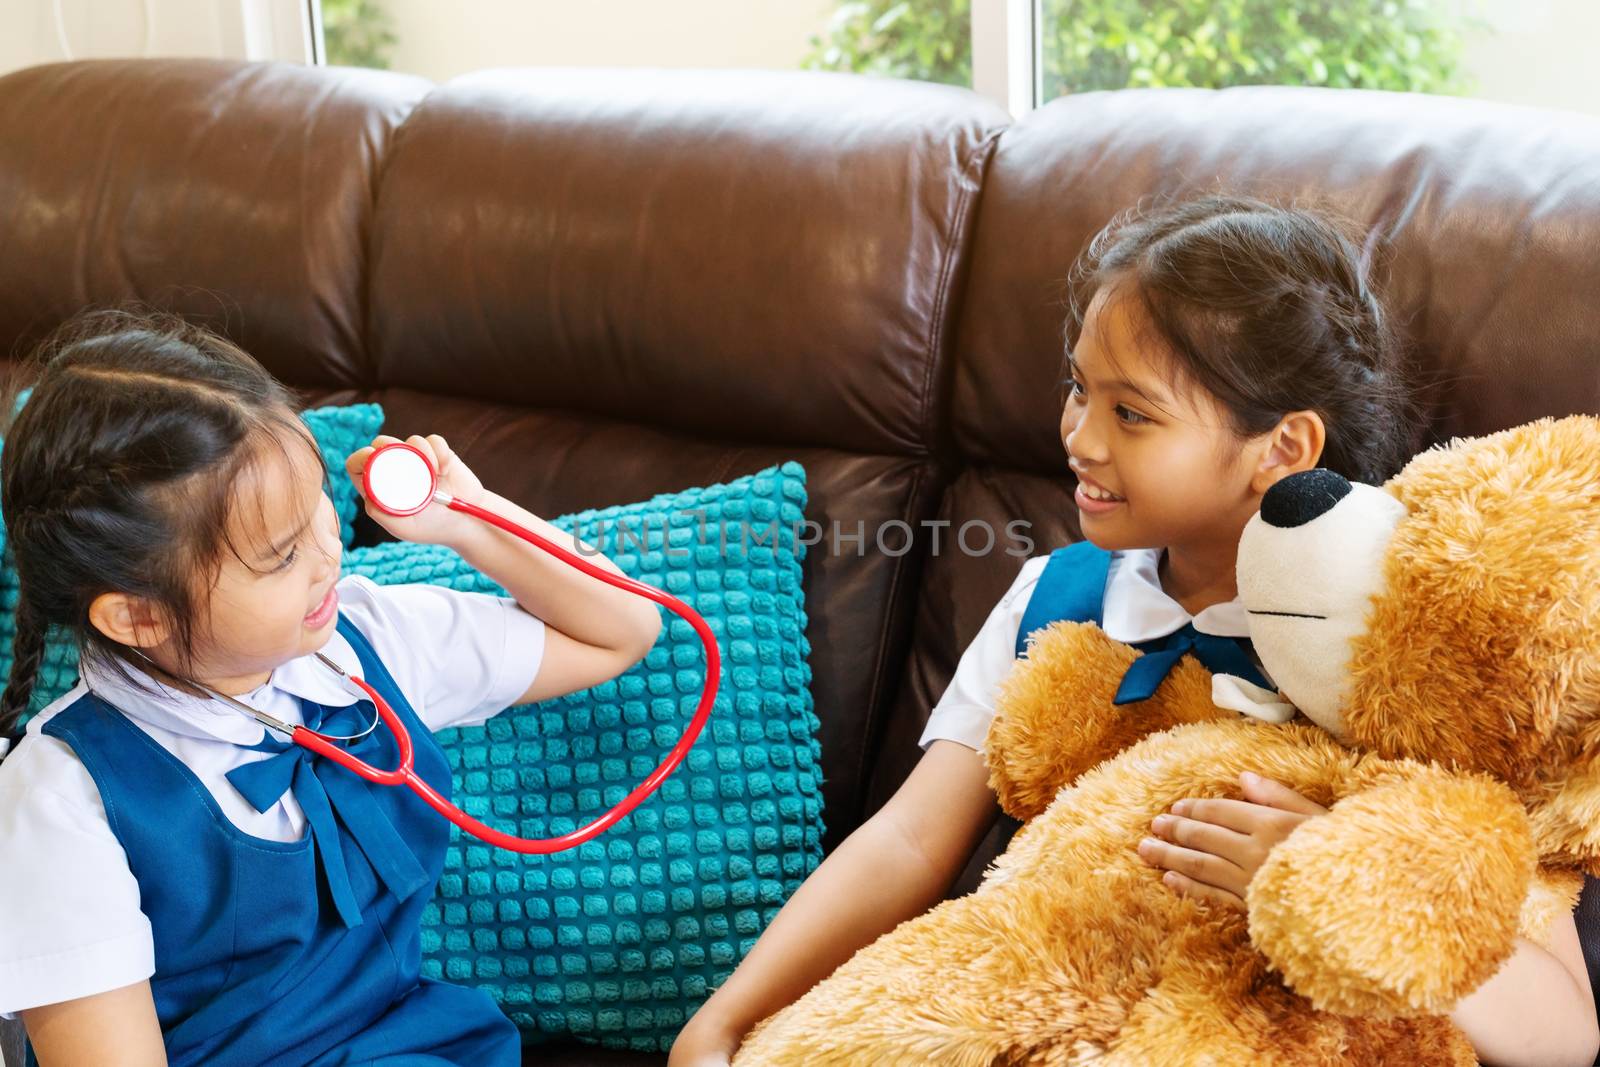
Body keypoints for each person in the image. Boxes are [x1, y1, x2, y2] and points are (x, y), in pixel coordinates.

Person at [670, 195, 1600, 1067]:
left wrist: (1336, 877)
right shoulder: (1053, 596)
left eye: (1131, 413)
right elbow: (911, 842)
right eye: (1078, 389)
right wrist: (725, 1017)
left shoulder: (1395, 648)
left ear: (1283, 448)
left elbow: (1567, 1031)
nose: (1079, 435)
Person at [0, 311, 663, 1066]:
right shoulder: (57, 802)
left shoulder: (361, 642)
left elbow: (623, 628)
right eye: (280, 554)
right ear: (139, 614)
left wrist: (470, 521)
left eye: (317, 501)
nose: (327, 554)